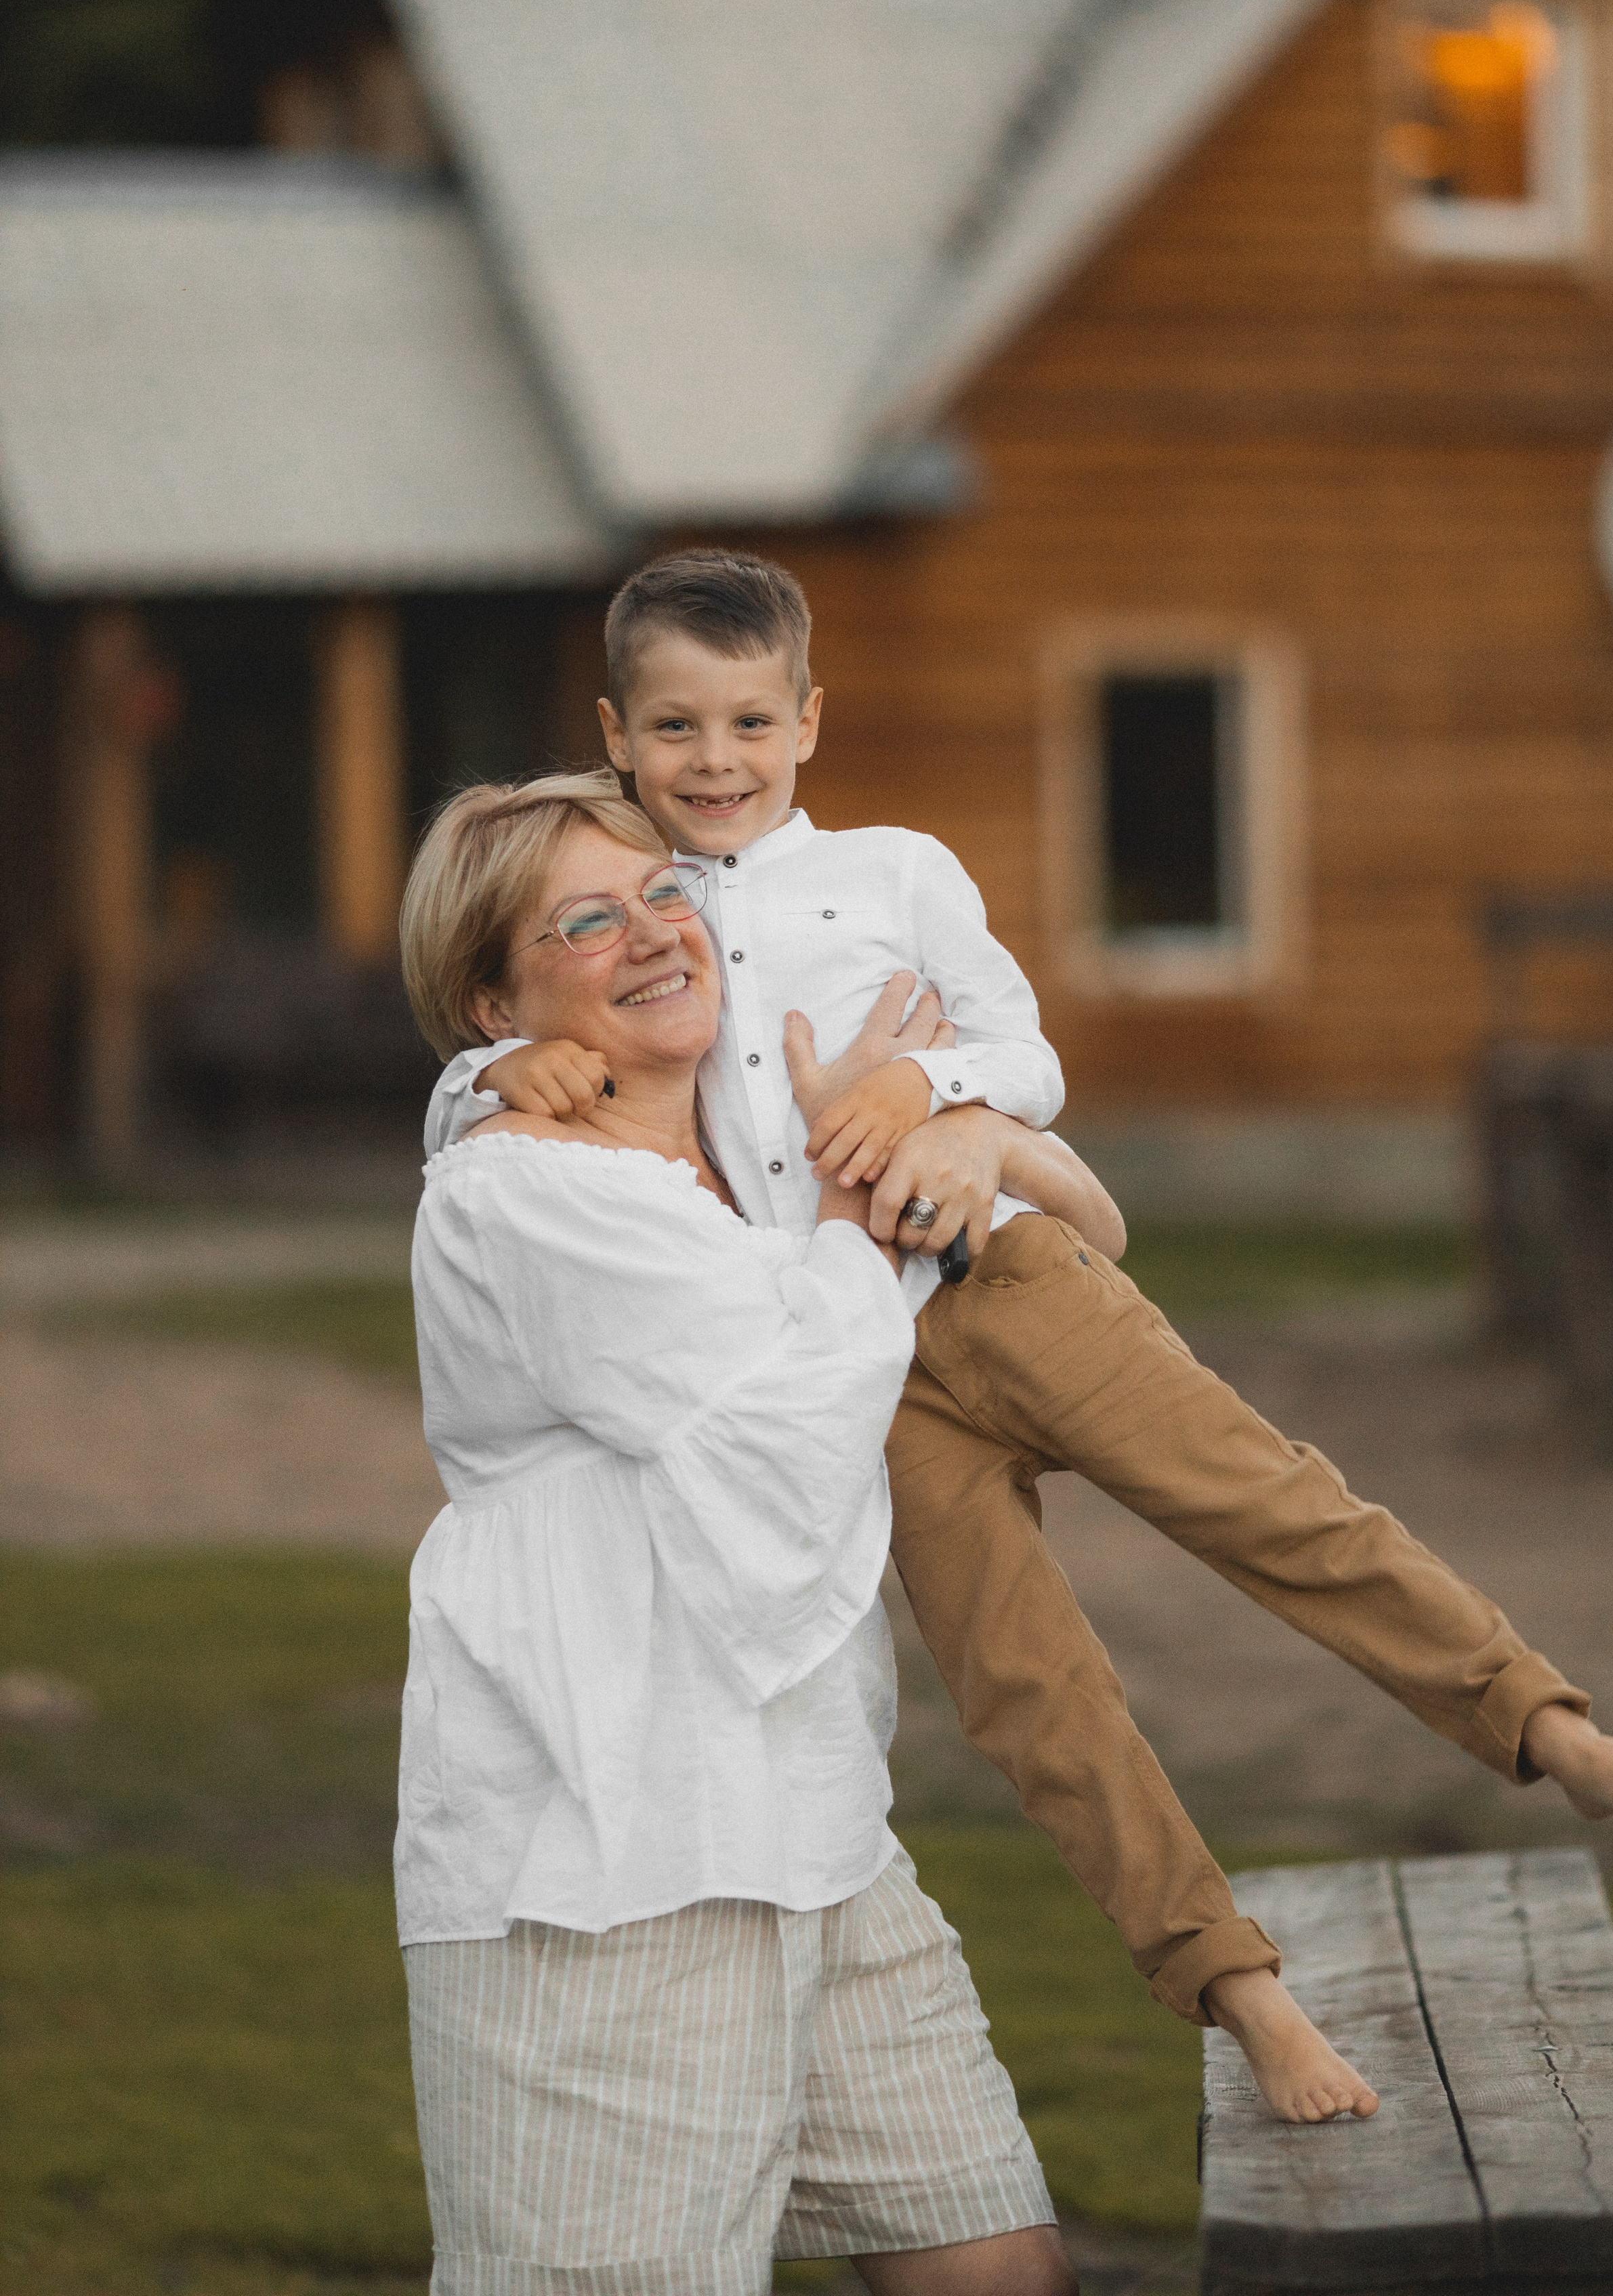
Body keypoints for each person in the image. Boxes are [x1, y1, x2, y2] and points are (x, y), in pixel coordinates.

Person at [425, 549, 1613, 2126]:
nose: (715, 764)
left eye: (749, 725)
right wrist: (477, 1084)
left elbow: (1021, 1046)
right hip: (864, 1378)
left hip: (1003, 1278)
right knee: (1030, 1692)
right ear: (617, 733)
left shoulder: (897, 870)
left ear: (808, 722)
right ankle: (1238, 1996)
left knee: (1267, 1499)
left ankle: (1538, 1722)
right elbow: (520, 1026)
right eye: (678, 730)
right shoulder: (639, 910)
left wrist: (930, 1093)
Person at [397, 767, 1123, 2293]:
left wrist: (943, 1118)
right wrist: (864, 1225)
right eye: (585, 922)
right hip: (604, 1854)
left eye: (664, 894)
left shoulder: (754, 1148)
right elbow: (793, 1427)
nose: (654, 934)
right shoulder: (519, 1190)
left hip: (814, 1824)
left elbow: (1077, 1230)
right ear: (492, 1003)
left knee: (990, 2260)